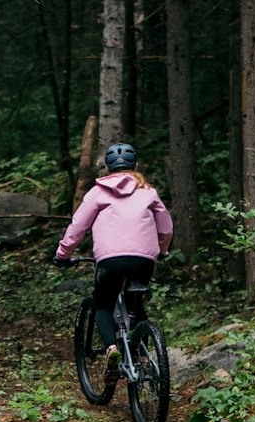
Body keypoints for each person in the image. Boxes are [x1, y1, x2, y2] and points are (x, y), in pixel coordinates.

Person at [55, 143, 173, 375]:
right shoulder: (148, 192)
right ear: (136, 166)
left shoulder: (97, 192)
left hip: (110, 261)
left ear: (107, 169)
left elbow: (78, 227)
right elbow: (166, 228)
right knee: (136, 305)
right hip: (144, 260)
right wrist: (162, 250)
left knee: (103, 304)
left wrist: (63, 254)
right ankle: (141, 358)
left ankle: (111, 349)